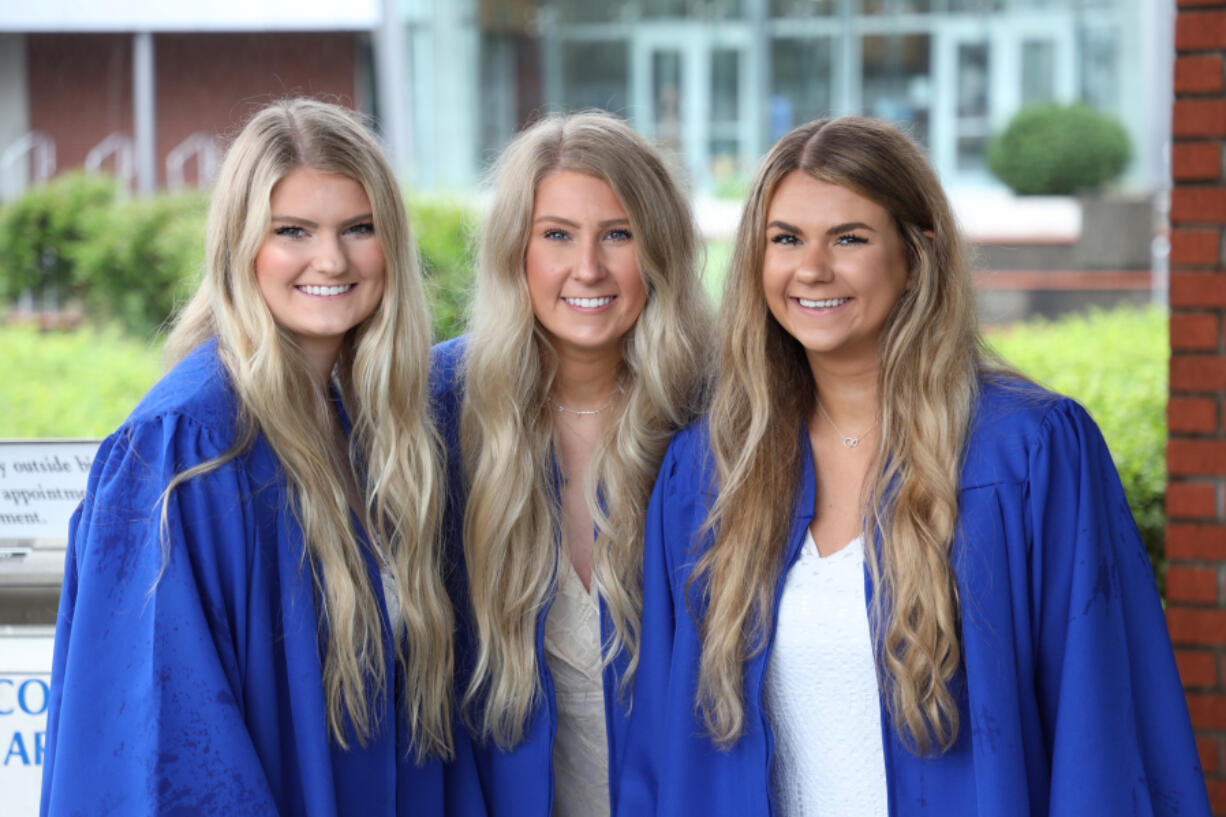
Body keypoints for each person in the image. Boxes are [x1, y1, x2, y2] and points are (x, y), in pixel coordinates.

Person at [615, 116, 1211, 817]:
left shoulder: (1027, 455)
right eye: (786, 239)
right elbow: (661, 757)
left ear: (917, 253)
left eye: (850, 238)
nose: (812, 268)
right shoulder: (709, 473)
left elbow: (1099, 732)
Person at [40, 98, 472, 816]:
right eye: (292, 231)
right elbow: (162, 754)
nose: (330, 259)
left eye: (358, 228)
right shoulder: (185, 449)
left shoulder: (363, 431)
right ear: (241, 247)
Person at [431, 111, 713, 817]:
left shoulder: (722, 414)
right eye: (556, 235)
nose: (588, 268)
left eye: (618, 234)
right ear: (514, 252)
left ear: (660, 250)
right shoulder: (440, 411)